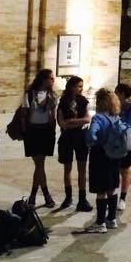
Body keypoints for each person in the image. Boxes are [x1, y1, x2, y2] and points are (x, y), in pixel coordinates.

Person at [87, 88, 124, 232]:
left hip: (100, 156)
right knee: (112, 188)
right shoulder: (116, 117)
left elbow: (91, 135)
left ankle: (100, 223)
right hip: (114, 155)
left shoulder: (98, 118)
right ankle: (112, 220)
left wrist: (93, 142)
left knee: (101, 190)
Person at [21, 69, 57, 207]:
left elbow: (53, 115)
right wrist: (25, 132)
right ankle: (44, 195)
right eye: (50, 78)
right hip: (32, 131)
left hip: (46, 131)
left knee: (40, 165)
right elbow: (24, 114)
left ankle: (34, 196)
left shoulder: (52, 95)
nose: (53, 80)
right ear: (43, 79)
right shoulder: (30, 94)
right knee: (39, 165)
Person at [56, 76, 92, 211]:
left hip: (81, 137)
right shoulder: (63, 102)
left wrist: (72, 121)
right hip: (67, 137)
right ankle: (68, 197)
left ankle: (82, 199)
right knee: (67, 169)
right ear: (71, 87)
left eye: (82, 86)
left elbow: (87, 119)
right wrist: (75, 122)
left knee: (82, 169)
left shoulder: (83, 101)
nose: (81, 89)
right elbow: (62, 123)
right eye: (79, 86)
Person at [116, 83, 131, 213]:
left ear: (121, 94)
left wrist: (117, 128)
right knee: (113, 169)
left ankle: (122, 198)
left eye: (116, 92)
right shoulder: (113, 106)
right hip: (113, 143)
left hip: (126, 144)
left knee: (125, 171)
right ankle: (111, 196)